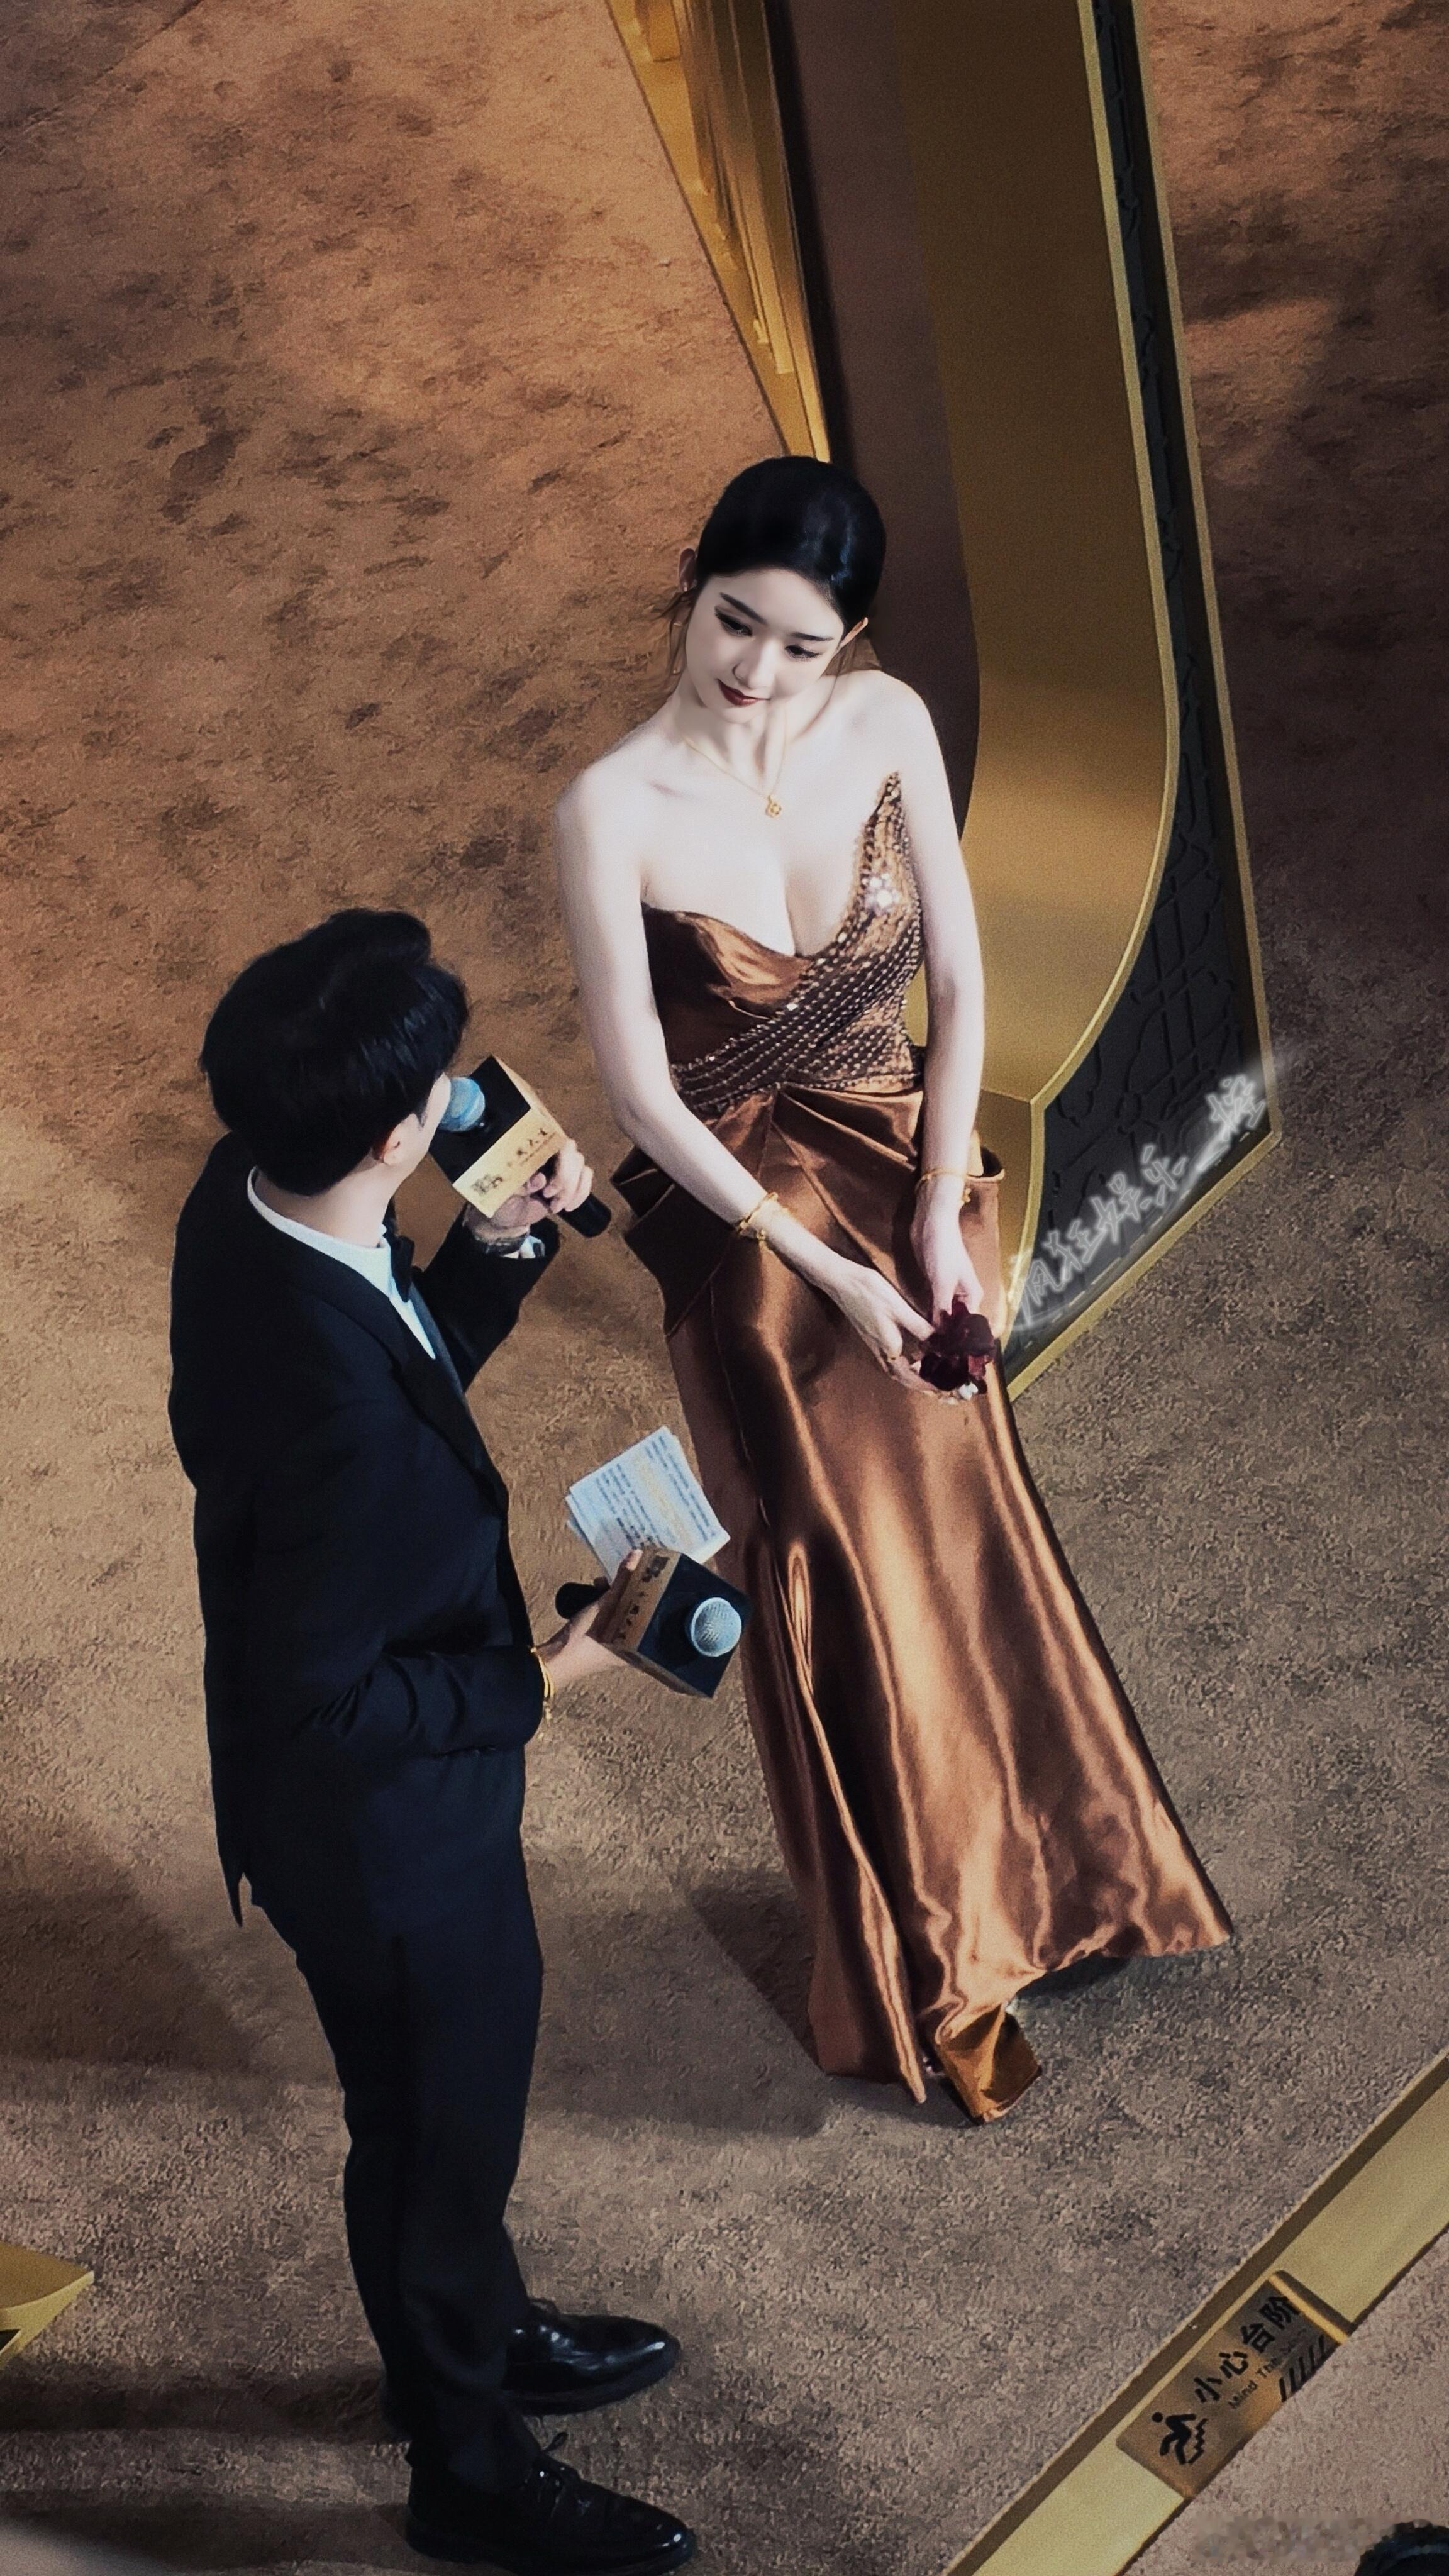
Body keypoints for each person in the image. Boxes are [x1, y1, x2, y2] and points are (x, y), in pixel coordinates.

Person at [555, 455, 1231, 2124]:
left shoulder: (886, 722)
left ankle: (1074, 1882)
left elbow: (963, 975)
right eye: (735, 623)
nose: (759, 672)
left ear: (849, 642)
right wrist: (824, 1271)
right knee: (836, 1589)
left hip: (908, 1183)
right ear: (694, 580)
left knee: (973, 1540)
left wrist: (936, 1215)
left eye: (804, 645)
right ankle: (925, 1961)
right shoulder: (610, 809)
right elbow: (641, 1096)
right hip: (754, 1246)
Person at [167, 909, 695, 2575]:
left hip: (344, 1803)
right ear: (397, 1141)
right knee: (435, 2136)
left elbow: (398, 1362)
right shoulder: (343, 1434)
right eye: (436, 1097)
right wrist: (552, 1673)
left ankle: (471, 2329)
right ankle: (465, 2464)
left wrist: (498, 1249)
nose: (460, 1102)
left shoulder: (246, 1196)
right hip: (393, 1848)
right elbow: (327, 1695)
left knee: (430, 2128)